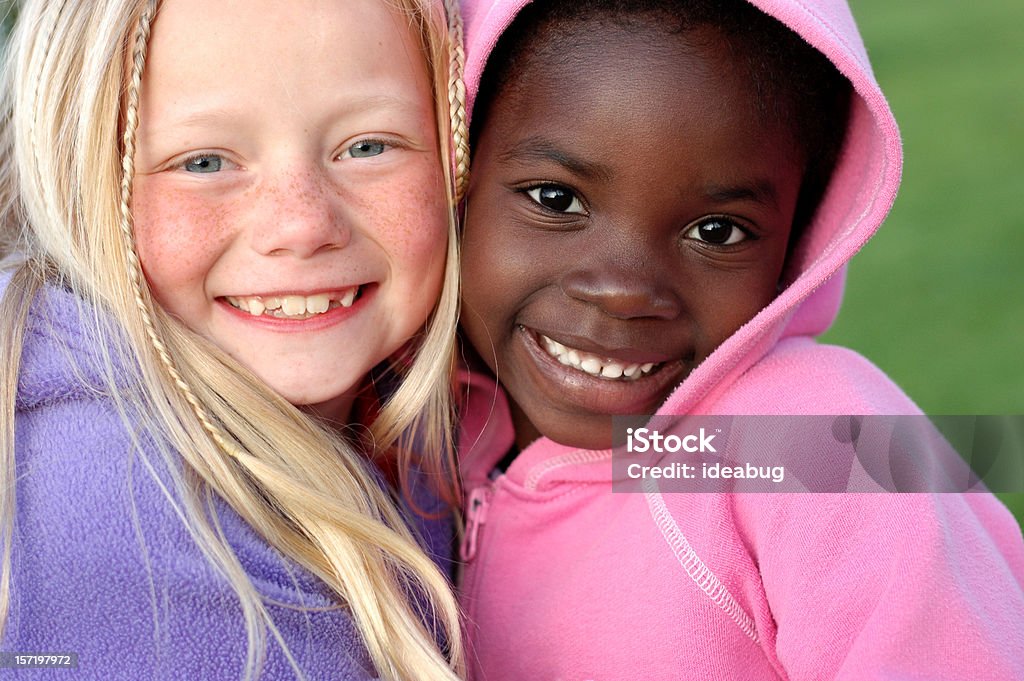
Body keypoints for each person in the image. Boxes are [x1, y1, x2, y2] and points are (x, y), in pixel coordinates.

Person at [455, 0, 1024, 678]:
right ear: (456, 175)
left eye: (717, 232)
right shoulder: (422, 431)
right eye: (555, 199)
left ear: (800, 245)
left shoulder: (821, 444)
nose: (624, 290)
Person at [0, 0, 469, 678]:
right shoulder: (147, 528)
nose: (302, 224)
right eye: (204, 161)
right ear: (79, 183)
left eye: (367, 146)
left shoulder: (425, 400)